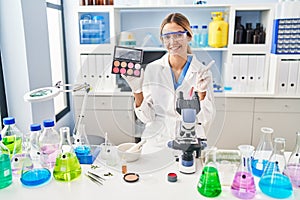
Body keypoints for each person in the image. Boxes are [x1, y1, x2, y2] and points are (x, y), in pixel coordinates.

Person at [122, 13, 215, 152]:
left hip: (189, 138)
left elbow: (205, 118)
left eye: (178, 35)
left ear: (188, 36)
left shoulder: (202, 72)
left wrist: (202, 94)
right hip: (157, 139)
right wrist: (137, 91)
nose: (172, 41)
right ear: (162, 40)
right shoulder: (153, 69)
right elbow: (146, 118)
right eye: (167, 36)